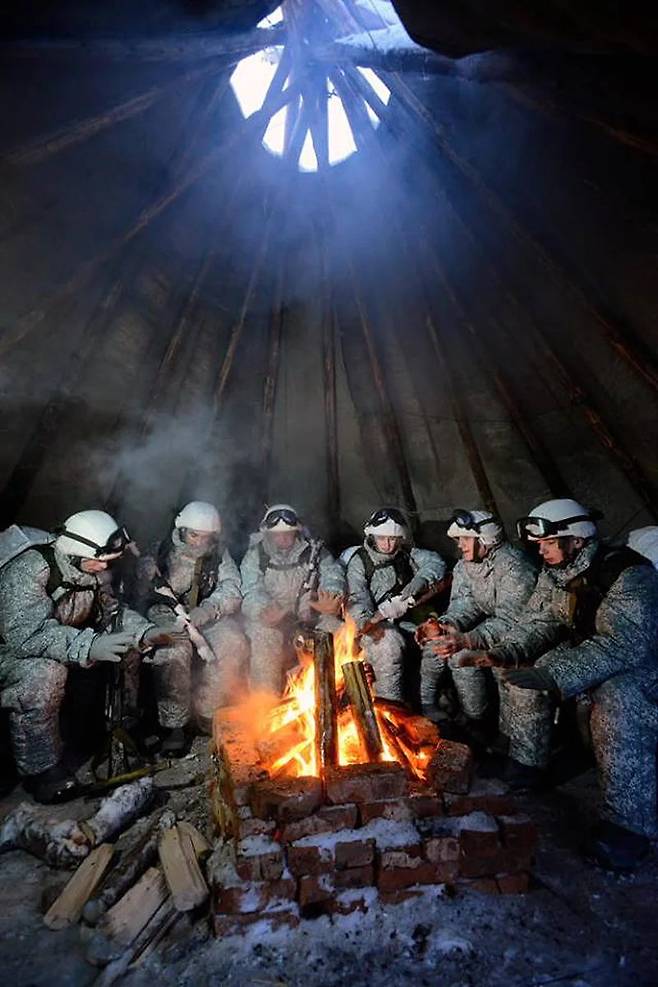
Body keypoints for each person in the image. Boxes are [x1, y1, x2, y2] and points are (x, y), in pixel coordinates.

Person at [463, 498, 658, 870]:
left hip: (643, 666)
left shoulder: (628, 575)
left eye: (549, 543)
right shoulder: (557, 572)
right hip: (593, 653)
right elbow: (542, 621)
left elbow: (625, 644)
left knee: (618, 703)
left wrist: (556, 675)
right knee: (525, 672)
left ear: (577, 540)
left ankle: (629, 828)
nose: (542, 550)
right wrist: (506, 653)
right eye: (540, 544)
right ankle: (527, 763)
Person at [0, 511, 172, 803]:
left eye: (108, 561)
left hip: (60, 641)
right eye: (100, 560)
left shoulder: (90, 571)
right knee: (43, 675)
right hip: (13, 652)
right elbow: (24, 636)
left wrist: (144, 632)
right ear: (77, 550)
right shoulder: (30, 570)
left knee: (126, 648)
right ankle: (41, 771)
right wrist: (89, 646)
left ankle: (121, 731)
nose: (105, 567)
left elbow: (112, 614)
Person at [416, 509, 537, 743]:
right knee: (457, 654)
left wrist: (467, 639)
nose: (460, 545)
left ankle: (507, 738)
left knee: (500, 669)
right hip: (495, 630)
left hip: (524, 637)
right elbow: (465, 603)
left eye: (465, 539)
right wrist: (444, 625)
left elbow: (512, 620)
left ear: (486, 539)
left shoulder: (514, 566)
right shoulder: (466, 566)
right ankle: (476, 721)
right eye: (459, 539)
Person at [136, 501, 249, 751]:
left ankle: (208, 712)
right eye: (194, 535)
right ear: (182, 530)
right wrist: (145, 575)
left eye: (206, 537)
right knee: (174, 650)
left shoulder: (219, 554)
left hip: (204, 615)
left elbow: (232, 587)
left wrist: (209, 609)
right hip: (165, 614)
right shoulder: (161, 551)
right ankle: (174, 725)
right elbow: (139, 593)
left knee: (232, 641)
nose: (199, 542)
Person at [241, 504, 345, 694]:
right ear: (268, 534)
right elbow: (250, 589)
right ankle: (264, 706)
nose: (283, 538)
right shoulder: (255, 556)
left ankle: (333, 699)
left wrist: (332, 597)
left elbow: (333, 575)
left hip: (311, 617)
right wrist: (263, 610)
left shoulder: (314, 552)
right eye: (277, 534)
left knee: (337, 632)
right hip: (273, 620)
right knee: (265, 637)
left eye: (288, 533)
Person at [346, 508, 446, 703]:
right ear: (372, 536)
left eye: (393, 539)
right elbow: (357, 598)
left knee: (437, 640)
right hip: (372, 626)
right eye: (382, 538)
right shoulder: (360, 561)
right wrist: (370, 620)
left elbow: (435, 562)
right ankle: (390, 707)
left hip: (404, 621)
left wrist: (422, 579)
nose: (387, 544)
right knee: (389, 643)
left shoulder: (406, 554)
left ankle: (427, 703)